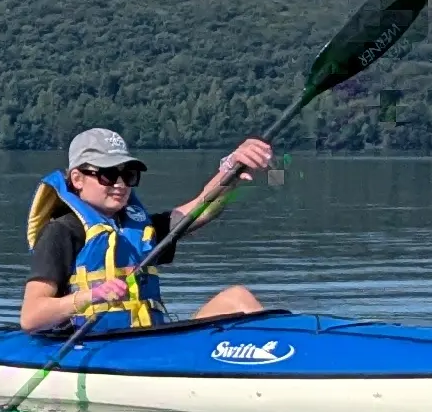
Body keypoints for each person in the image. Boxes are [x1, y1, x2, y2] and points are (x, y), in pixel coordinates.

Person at [20, 126, 281, 334]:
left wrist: (232, 168)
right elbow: (31, 317)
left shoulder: (140, 227)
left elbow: (201, 208)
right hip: (93, 345)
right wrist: (91, 296)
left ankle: (285, 358)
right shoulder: (61, 232)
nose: (120, 184)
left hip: (147, 340)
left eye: (129, 175)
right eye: (108, 175)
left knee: (238, 297)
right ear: (77, 179)